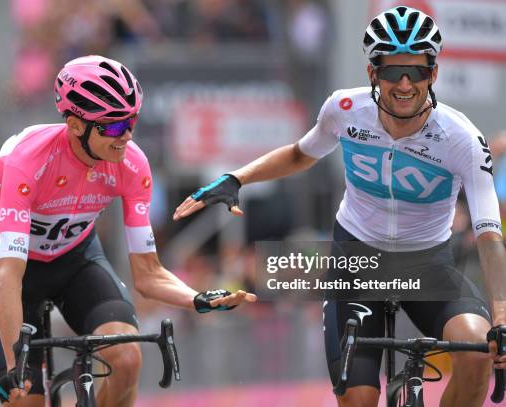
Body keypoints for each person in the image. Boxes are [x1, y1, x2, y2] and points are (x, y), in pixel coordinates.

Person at [173, 6, 506, 407]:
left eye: (416, 71)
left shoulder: (462, 139)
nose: (404, 83)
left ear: (432, 74)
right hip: (358, 262)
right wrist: (238, 177)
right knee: (359, 399)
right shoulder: (344, 110)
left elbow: (489, 234)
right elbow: (300, 154)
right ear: (372, 74)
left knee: (475, 353)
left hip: (429, 265)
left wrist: (501, 316)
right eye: (390, 71)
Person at [0, 55, 256, 407]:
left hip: (75, 260)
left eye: (131, 123)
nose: (125, 136)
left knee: (126, 360)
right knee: (23, 397)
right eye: (112, 127)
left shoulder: (132, 164)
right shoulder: (26, 160)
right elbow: (8, 276)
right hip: (18, 274)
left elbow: (147, 274)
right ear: (76, 125)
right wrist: (13, 366)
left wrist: (197, 298)